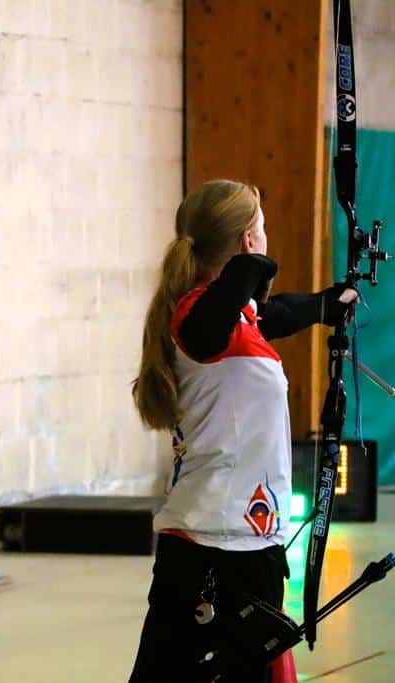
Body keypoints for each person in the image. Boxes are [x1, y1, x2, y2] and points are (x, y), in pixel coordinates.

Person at [129, 179, 357, 682]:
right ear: (249, 241)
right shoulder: (196, 313)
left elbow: (276, 313)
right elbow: (210, 324)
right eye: (262, 228)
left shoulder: (238, 319)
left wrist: (326, 304)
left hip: (242, 545)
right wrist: (250, 266)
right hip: (212, 547)